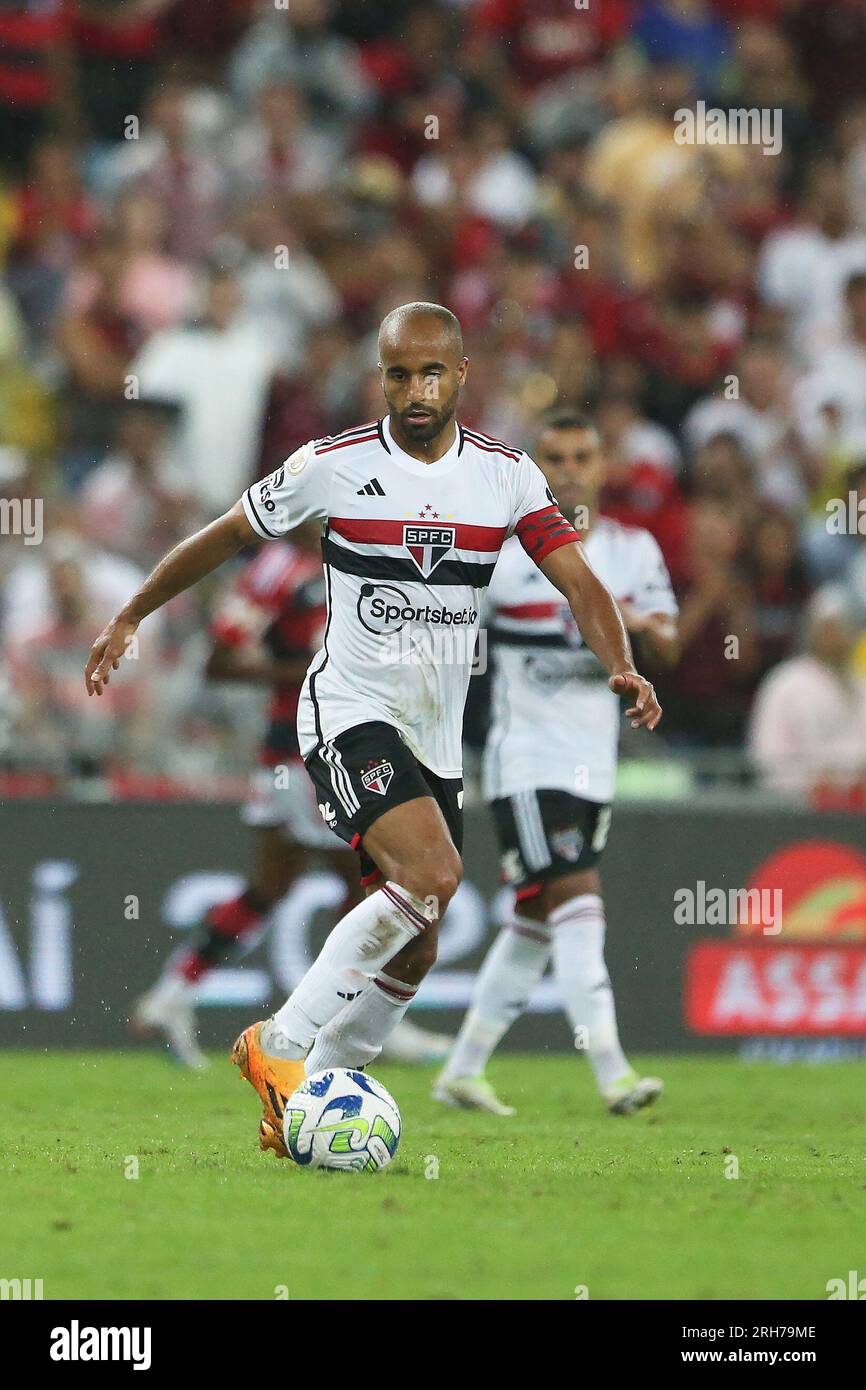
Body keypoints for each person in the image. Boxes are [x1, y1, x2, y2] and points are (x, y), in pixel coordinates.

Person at [85, 302, 662, 1159]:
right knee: (432, 872)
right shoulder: (331, 465)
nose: (415, 389)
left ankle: (310, 1101)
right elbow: (226, 536)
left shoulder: (505, 476)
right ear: (381, 378)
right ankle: (277, 1046)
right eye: (399, 373)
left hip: (434, 733)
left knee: (417, 950)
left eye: (432, 372)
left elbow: (579, 580)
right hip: (347, 710)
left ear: (461, 375)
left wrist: (620, 663)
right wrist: (134, 610)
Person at [131, 519, 452, 1067]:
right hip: (309, 755)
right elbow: (220, 661)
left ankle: (173, 992)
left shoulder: (357, 563)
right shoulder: (280, 569)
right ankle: (358, 1020)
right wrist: (315, 674)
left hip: (311, 754)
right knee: (370, 886)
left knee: (271, 886)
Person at [435, 412, 679, 1116]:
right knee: (577, 894)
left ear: (603, 467)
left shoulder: (635, 550)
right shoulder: (503, 555)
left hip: (593, 762)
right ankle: (613, 1071)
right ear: (535, 470)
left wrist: (628, 626)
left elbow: (666, 647)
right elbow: (453, 646)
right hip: (526, 761)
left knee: (535, 916)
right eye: (555, 457)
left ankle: (464, 1067)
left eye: (583, 455)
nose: (570, 469)